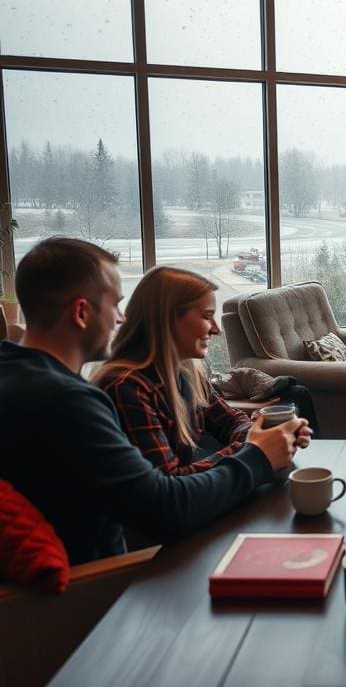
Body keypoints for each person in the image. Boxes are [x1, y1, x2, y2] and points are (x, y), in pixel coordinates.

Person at [0, 238, 306, 564]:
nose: (120, 319)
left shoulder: (19, 375)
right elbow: (165, 509)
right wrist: (256, 455)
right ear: (81, 312)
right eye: (114, 304)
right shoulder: (68, 401)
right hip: (99, 591)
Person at [94, 266, 314, 476]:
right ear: (168, 320)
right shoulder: (126, 388)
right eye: (207, 316)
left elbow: (230, 421)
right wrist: (256, 449)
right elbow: (168, 485)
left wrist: (264, 435)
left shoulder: (188, 372)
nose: (216, 329)